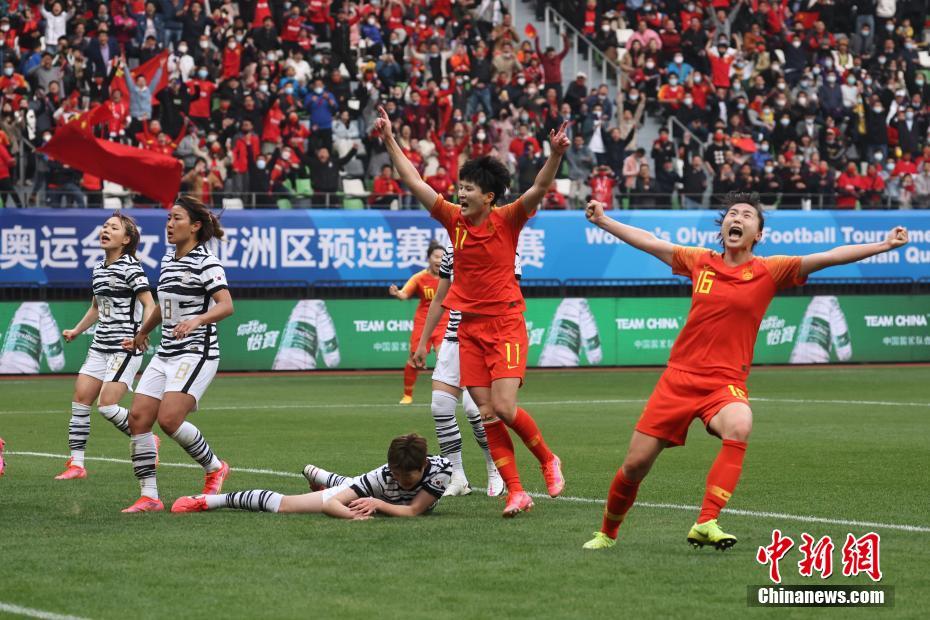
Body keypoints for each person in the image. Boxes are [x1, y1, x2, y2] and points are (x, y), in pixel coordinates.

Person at [582, 191, 909, 550]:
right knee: (634, 467)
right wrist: (603, 220)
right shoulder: (699, 260)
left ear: (758, 235)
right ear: (723, 228)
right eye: (732, 214)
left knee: (740, 424)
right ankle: (606, 534)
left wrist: (883, 245)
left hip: (724, 384)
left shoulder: (770, 270)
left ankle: (707, 521)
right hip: (677, 381)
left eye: (747, 216)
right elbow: (650, 242)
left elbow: (827, 257)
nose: (737, 218)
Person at [373, 105, 569, 517]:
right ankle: (517, 491)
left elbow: (539, 188)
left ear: (489, 197)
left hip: (506, 324)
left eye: (468, 189)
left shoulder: (508, 219)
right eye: (459, 187)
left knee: (504, 408)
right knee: (485, 413)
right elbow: (414, 181)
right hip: (470, 330)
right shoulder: (453, 221)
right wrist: (390, 139)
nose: (460, 194)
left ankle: (548, 459)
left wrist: (554, 155)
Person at [120, 195, 235, 513]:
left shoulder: (206, 262)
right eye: (168, 218)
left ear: (195, 226)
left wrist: (198, 319)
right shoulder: (169, 262)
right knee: (138, 419)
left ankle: (215, 467)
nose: (169, 224)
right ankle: (149, 497)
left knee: (169, 420)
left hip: (197, 352)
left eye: (177, 219)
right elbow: (162, 306)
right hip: (166, 352)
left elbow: (226, 305)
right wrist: (142, 332)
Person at [55, 213, 157, 480]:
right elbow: (96, 307)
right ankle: (77, 465)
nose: (106, 229)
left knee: (108, 406)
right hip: (99, 346)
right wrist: (77, 331)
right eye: (104, 226)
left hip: (125, 346)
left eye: (113, 227)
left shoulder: (131, 267)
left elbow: (150, 304)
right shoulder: (99, 268)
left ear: (126, 239)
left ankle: (146, 439)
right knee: (80, 401)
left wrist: (141, 334)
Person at [411, 244, 512, 498]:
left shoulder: (504, 247)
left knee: (475, 411)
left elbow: (510, 296)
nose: (463, 203)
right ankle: (457, 477)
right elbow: (439, 300)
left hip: (484, 340)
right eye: (460, 202)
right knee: (440, 407)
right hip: (453, 341)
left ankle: (494, 469)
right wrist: (423, 343)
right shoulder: (452, 252)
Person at [171, 433, 451, 519]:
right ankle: (209, 501)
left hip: (374, 496)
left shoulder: (441, 472)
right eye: (397, 475)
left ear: (424, 465)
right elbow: (331, 505)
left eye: (408, 478)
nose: (402, 481)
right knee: (286, 504)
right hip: (367, 491)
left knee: (348, 484)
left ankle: (316, 474)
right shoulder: (381, 477)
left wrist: (378, 505)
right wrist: (353, 515)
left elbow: (414, 509)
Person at [389, 241, 448, 405]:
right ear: (429, 258)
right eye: (436, 257)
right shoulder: (419, 277)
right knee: (414, 359)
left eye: (443, 258)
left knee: (444, 357)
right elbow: (404, 294)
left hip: (444, 323)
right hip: (423, 323)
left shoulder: (451, 277)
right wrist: (397, 293)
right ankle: (407, 395)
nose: (439, 260)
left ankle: (447, 394)